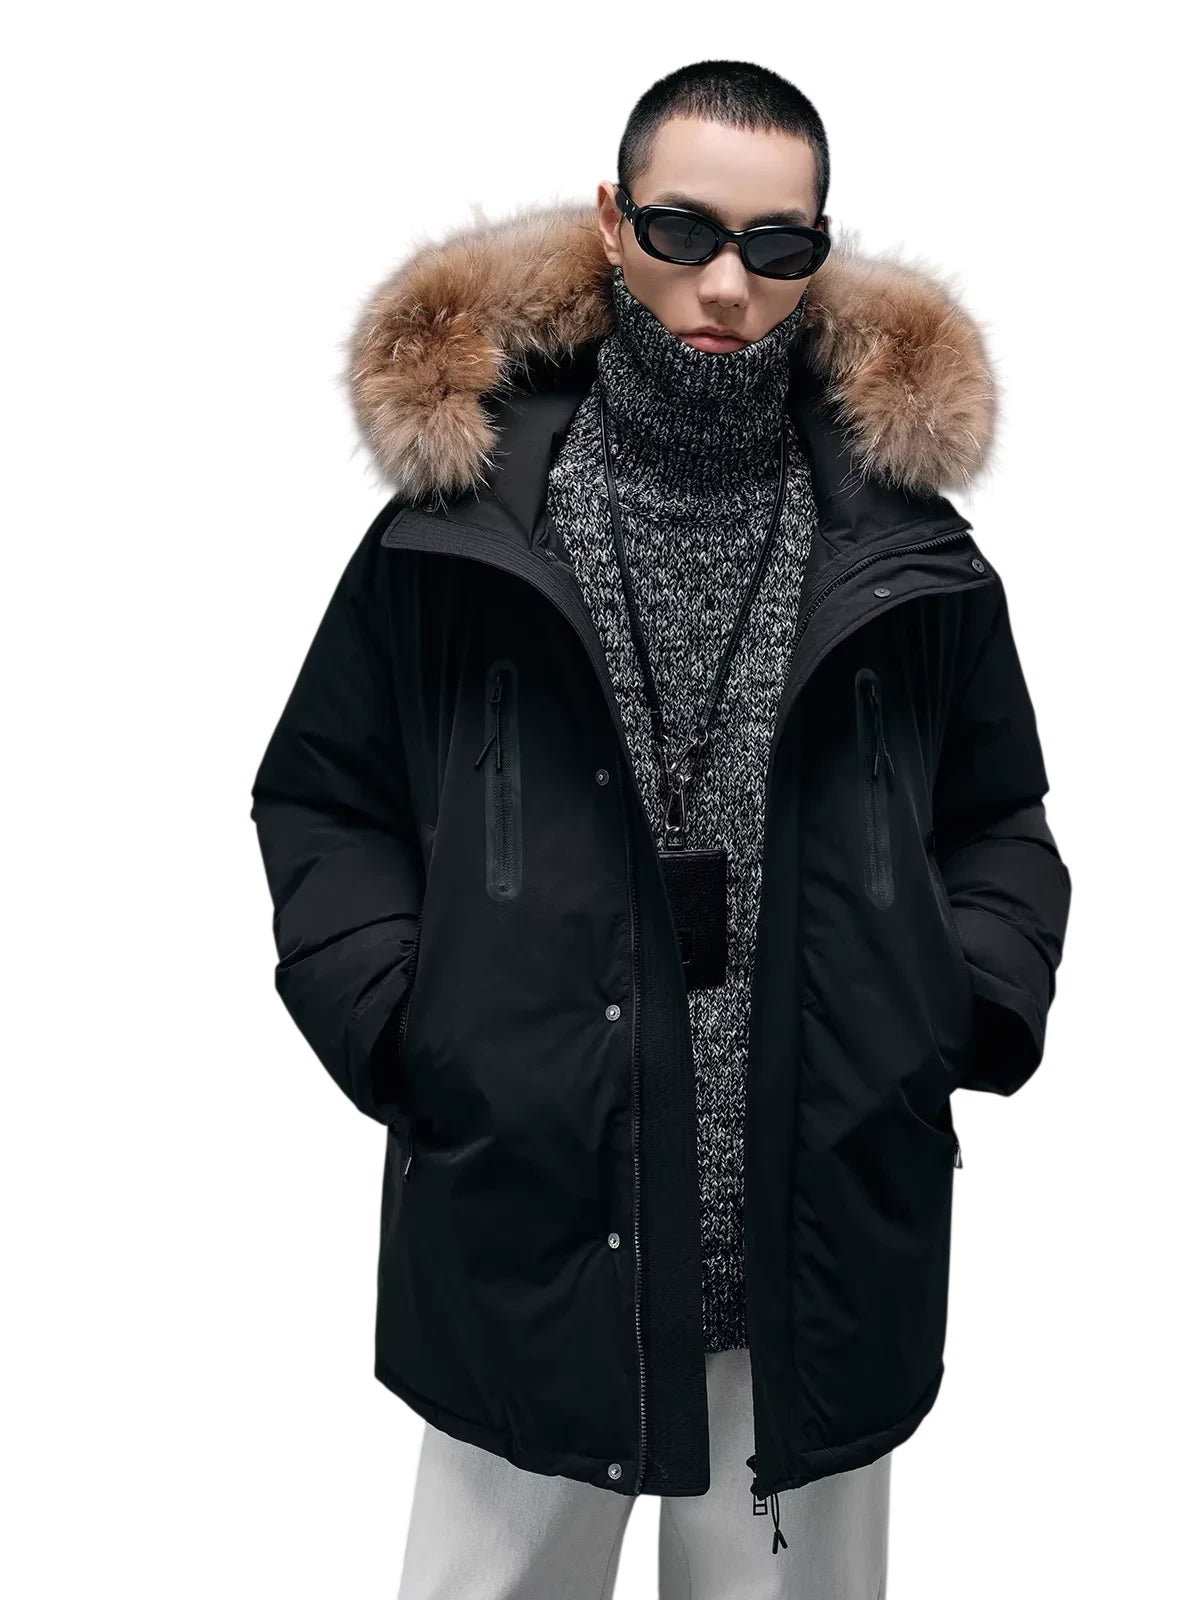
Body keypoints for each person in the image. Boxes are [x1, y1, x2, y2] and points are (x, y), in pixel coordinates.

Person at [250, 57, 1071, 1599]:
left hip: (817, 1249)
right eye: (685, 230)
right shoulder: (463, 530)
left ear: (820, 250)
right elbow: (323, 795)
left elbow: (997, 817)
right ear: (613, 221)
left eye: (777, 244)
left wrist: (952, 1008)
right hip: (532, 1237)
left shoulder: (907, 552)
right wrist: (409, 1028)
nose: (725, 284)